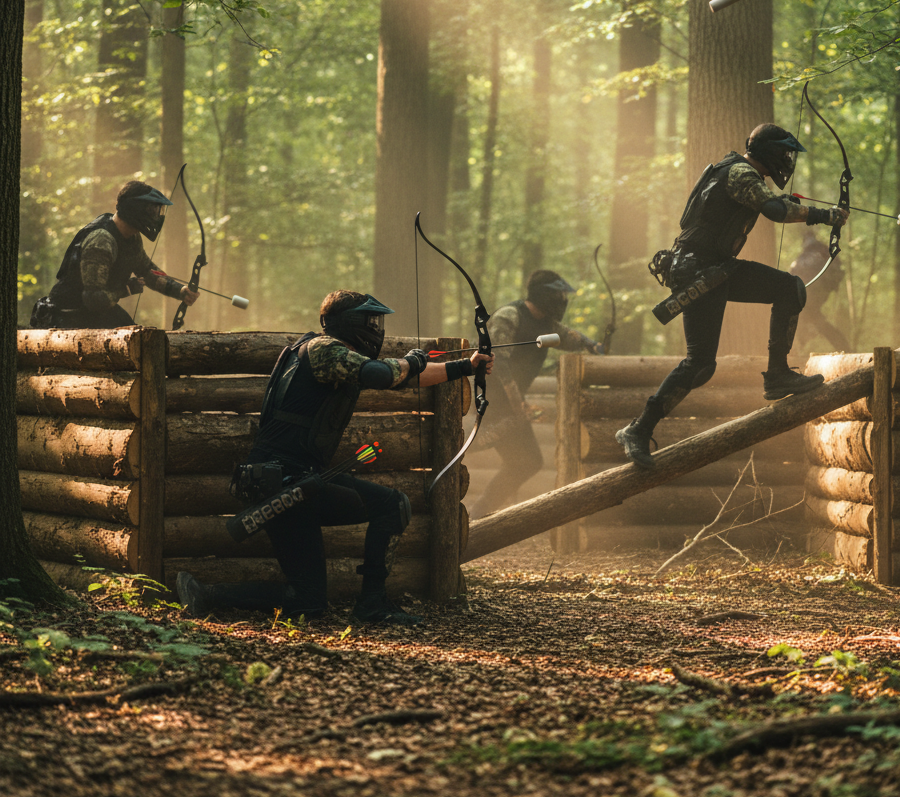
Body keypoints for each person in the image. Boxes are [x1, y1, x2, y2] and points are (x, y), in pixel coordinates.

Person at [176, 289, 495, 627]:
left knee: (309, 600)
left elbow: (401, 377)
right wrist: (411, 361)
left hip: (301, 482)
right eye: (371, 320)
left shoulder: (337, 355)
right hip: (282, 487)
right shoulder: (323, 349)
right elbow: (381, 374)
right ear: (349, 322)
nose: (377, 327)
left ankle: (210, 595)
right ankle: (207, 594)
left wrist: (466, 366)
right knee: (390, 507)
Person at [615, 123, 849, 468]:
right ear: (768, 151)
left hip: (718, 267)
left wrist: (807, 210)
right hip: (699, 270)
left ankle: (778, 375)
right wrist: (824, 215)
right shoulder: (740, 171)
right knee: (700, 364)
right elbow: (774, 210)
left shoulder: (741, 173)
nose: (787, 160)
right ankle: (637, 430)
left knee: (789, 288)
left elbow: (769, 203)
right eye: (784, 153)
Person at [471, 269, 604, 518]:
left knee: (527, 462)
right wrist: (517, 402)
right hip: (483, 400)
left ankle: (474, 518)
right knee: (462, 447)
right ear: (545, 295)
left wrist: (593, 345)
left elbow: (569, 338)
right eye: (559, 296)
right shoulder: (510, 316)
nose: (562, 301)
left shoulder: (547, 326)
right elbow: (497, 363)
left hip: (511, 406)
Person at [29, 180, 199, 328]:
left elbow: (146, 270)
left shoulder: (132, 237)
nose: (155, 216)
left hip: (95, 311)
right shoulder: (102, 240)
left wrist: (180, 291)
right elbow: (93, 299)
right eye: (151, 210)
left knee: (138, 339)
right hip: (68, 314)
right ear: (135, 209)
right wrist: (126, 289)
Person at [789, 231, 852, 353]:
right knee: (812, 320)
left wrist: (830, 285)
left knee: (808, 319)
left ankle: (845, 349)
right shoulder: (808, 255)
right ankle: (845, 348)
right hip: (809, 295)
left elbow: (837, 271)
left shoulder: (816, 253)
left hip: (810, 295)